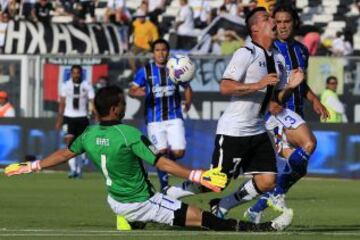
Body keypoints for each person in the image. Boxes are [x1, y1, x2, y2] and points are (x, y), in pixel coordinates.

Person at [4, 86, 292, 232]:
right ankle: (262, 228)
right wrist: (196, 175)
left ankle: (129, 221)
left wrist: (32, 165)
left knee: (168, 205)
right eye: (122, 103)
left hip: (114, 200)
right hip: (143, 202)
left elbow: (63, 153)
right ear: (116, 108)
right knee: (207, 221)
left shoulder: (88, 135)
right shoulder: (128, 134)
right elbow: (161, 163)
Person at [165, 7, 303, 220]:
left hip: (257, 129)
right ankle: (170, 194)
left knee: (268, 181)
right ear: (255, 28)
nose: (274, 21)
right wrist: (257, 84)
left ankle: (222, 206)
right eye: (267, 18)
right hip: (234, 130)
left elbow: (275, 100)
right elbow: (225, 87)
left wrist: (292, 86)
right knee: (216, 182)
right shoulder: (245, 53)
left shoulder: (278, 58)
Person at [243, 5, 330, 223]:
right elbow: (264, 85)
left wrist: (314, 99)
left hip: (295, 113)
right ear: (273, 23)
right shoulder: (268, 50)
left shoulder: (301, 50)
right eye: (278, 21)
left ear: (294, 23)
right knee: (309, 145)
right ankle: (276, 194)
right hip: (277, 112)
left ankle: (257, 208)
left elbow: (301, 83)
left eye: (286, 21)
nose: (282, 26)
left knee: (299, 169)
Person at [129, 39, 193, 191]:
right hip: (154, 120)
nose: (161, 53)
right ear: (153, 53)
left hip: (174, 117)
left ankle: (164, 162)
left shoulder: (176, 69)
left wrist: (188, 103)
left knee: (179, 152)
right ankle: (164, 186)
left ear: (168, 52)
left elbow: (187, 87)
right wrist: (140, 92)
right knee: (160, 153)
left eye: (164, 49)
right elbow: (132, 89)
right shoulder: (145, 70)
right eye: (157, 50)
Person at [55, 65, 95, 178]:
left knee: (82, 144)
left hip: (82, 117)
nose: (76, 75)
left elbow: (92, 100)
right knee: (69, 142)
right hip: (69, 117)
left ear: (81, 73)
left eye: (78, 73)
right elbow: (62, 103)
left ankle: (79, 169)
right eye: (74, 73)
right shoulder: (65, 85)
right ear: (71, 74)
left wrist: (94, 114)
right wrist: (59, 118)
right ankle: (73, 169)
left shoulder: (86, 85)